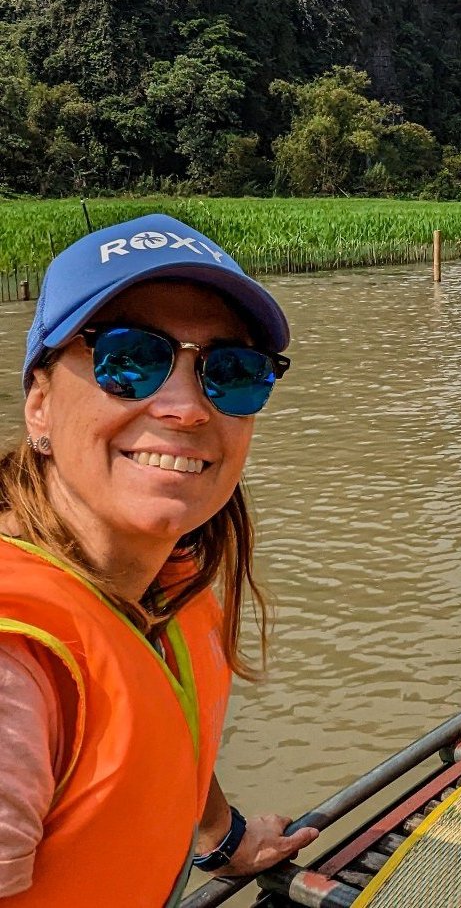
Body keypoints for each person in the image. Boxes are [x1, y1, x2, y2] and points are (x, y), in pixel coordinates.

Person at [0, 215, 319, 904]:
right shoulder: (15, 667)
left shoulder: (159, 579)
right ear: (40, 406)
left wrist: (223, 838)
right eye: (129, 359)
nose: (185, 408)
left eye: (231, 372)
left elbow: (157, 728)